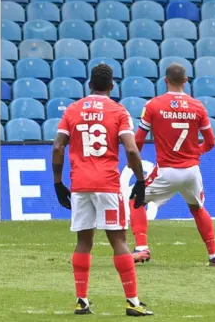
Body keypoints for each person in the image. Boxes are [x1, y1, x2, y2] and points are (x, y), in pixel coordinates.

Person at [52, 64, 153, 316]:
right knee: (118, 240)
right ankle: (132, 301)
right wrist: (140, 181)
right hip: (107, 183)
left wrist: (57, 182)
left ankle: (81, 300)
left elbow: (57, 147)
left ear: (89, 85)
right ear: (111, 85)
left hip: (80, 184)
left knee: (83, 242)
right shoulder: (119, 111)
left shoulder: (73, 110)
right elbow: (131, 150)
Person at [130, 63, 215, 266]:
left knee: (135, 199)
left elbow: (138, 141)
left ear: (165, 80)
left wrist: (132, 162)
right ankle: (214, 255)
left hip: (167, 170)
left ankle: (142, 247)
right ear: (186, 81)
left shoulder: (153, 105)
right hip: (191, 171)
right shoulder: (198, 106)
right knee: (197, 208)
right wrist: (198, 151)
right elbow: (211, 142)